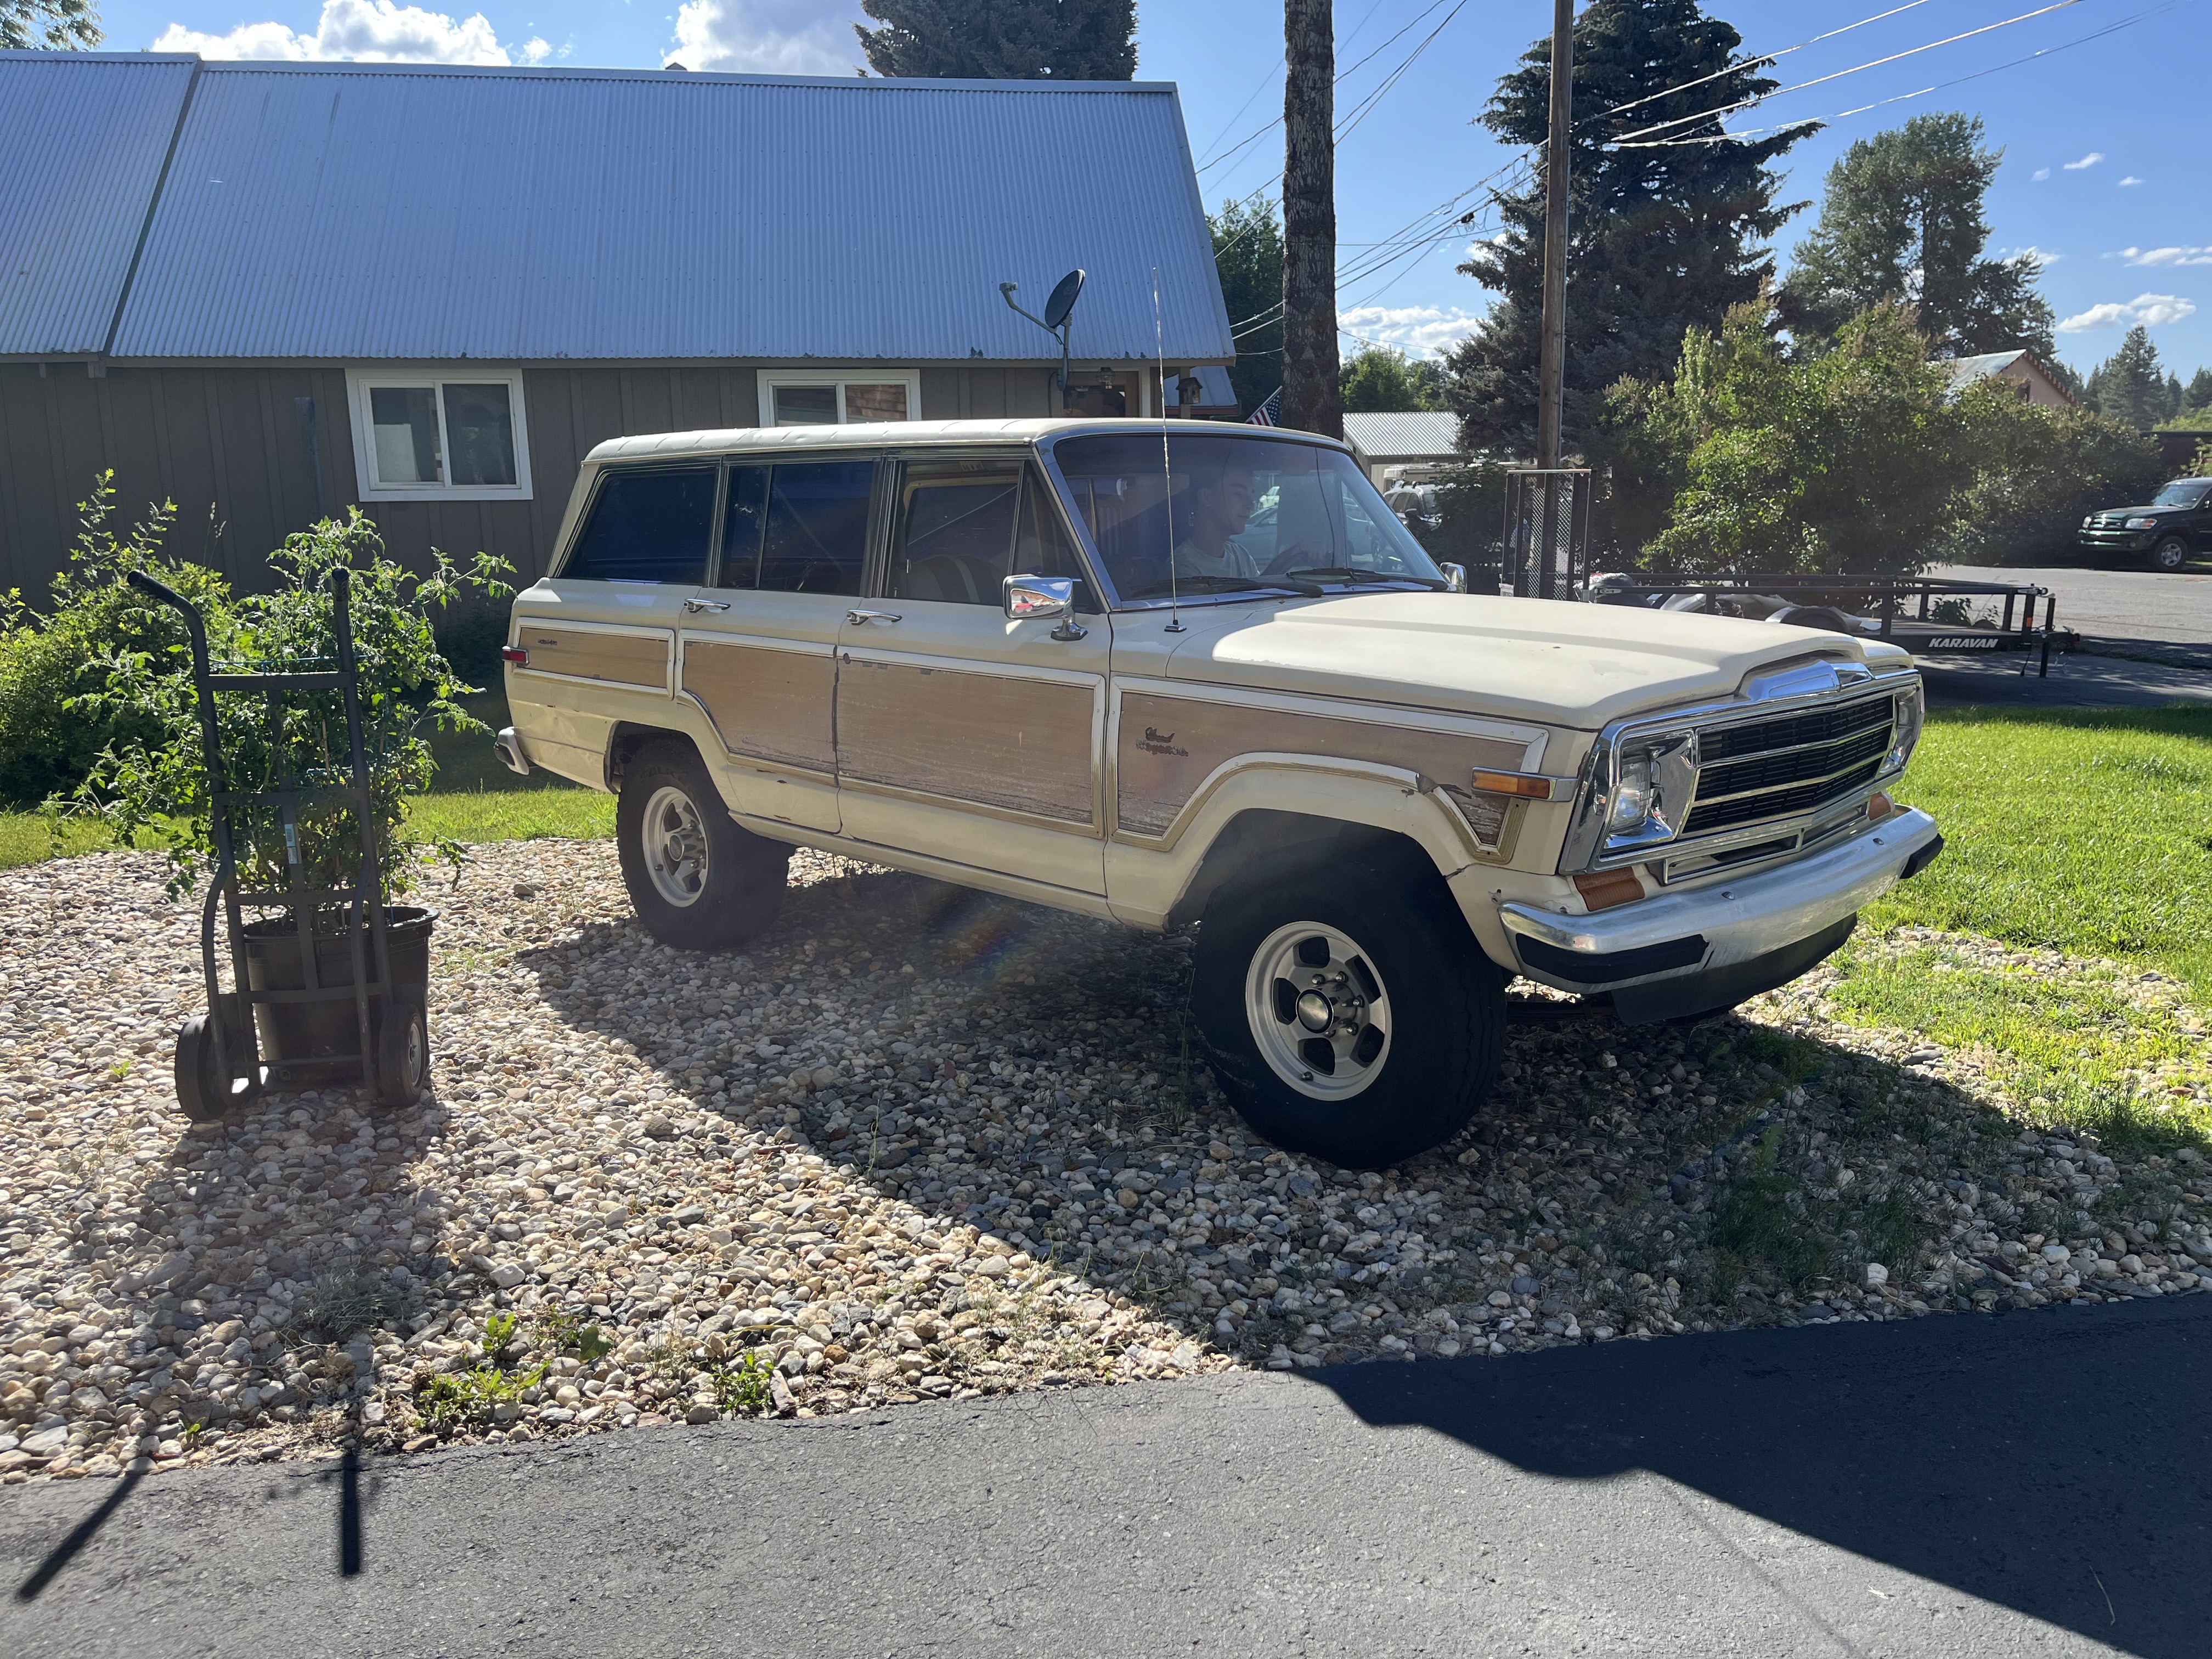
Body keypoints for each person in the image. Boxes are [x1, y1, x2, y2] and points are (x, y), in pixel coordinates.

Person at [1172, 464, 1261, 580]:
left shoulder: (1241, 556)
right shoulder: (1183, 567)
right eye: (1239, 494)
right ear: (1206, 497)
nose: (1250, 505)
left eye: (1251, 497)